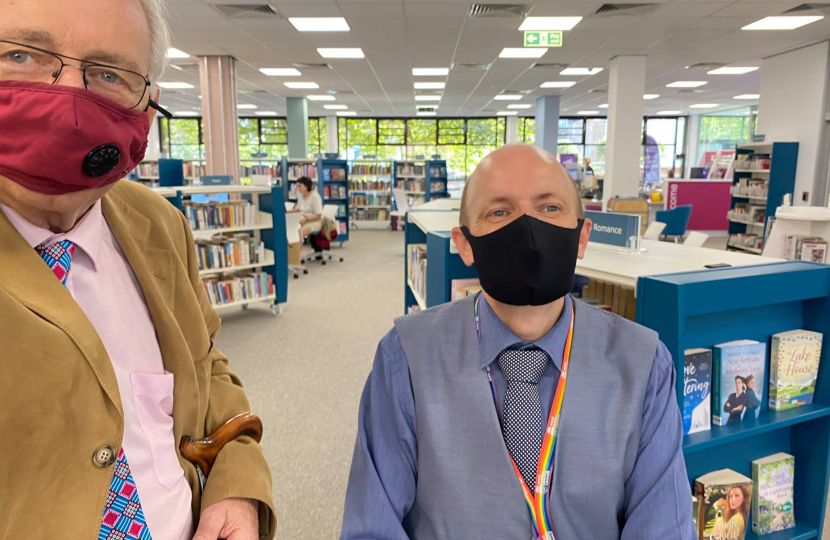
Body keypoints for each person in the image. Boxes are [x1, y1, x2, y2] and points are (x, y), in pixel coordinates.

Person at [0, 1, 276, 539]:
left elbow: (207, 367)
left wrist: (236, 486)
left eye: (108, 73)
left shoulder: (159, 224)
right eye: (22, 55)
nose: (69, 98)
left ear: (148, 106)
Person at [340, 144, 696, 540]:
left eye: (549, 209)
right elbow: (371, 529)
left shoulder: (644, 365)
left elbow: (664, 529)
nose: (528, 232)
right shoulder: (404, 359)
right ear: (465, 244)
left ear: (581, 236)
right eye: (499, 212)